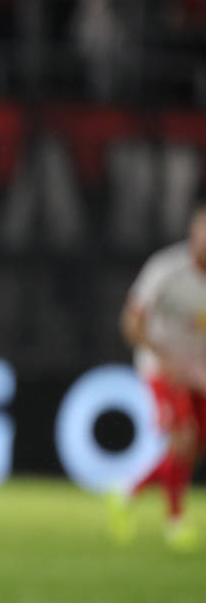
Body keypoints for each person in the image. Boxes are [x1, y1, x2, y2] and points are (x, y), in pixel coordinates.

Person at [108, 205, 206, 552]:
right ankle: (175, 522)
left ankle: (128, 493)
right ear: (193, 233)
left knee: (191, 448)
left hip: (199, 370)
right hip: (162, 366)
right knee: (183, 438)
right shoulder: (166, 269)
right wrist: (165, 358)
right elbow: (131, 322)